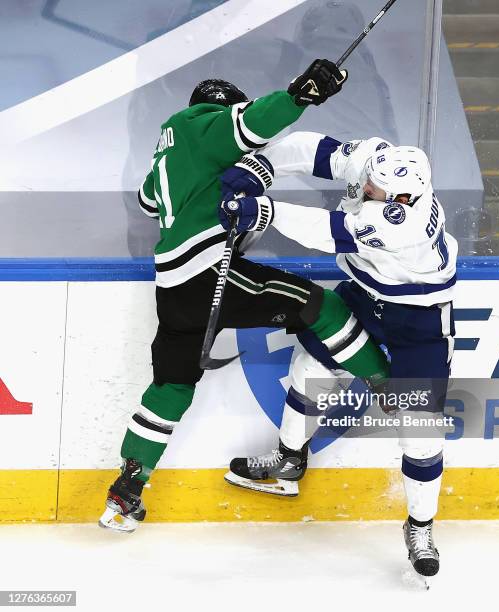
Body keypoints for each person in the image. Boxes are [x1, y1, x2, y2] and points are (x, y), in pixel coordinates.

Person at [99, 62, 393, 533]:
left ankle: (125, 492)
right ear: (218, 108)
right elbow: (250, 124)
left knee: (171, 387)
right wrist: (300, 95)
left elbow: (149, 201)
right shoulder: (199, 124)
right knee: (320, 307)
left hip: (173, 288)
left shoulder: (164, 152)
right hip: (207, 271)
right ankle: (389, 387)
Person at [220, 132, 457, 582]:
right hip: (366, 294)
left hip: (420, 322)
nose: (365, 186)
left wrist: (260, 210)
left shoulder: (400, 222)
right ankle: (289, 458)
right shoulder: (380, 164)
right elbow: (311, 149)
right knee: (310, 370)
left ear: (403, 198)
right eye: (369, 180)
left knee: (420, 433)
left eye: (376, 190)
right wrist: (256, 169)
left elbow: (326, 232)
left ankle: (420, 526)